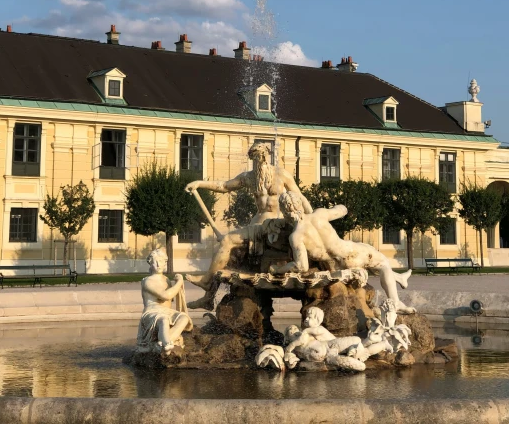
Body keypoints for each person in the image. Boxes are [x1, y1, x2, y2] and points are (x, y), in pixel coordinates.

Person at [185, 142, 313, 309]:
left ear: (267, 156)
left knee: (227, 241)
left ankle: (207, 283)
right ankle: (208, 296)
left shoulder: (282, 175)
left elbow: (300, 197)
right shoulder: (249, 177)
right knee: (228, 247)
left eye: (261, 156)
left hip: (276, 225)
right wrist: (199, 184)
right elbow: (224, 186)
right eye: (255, 158)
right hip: (258, 224)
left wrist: (312, 218)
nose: (259, 161)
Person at [271, 191, 415, 314]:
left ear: (285, 212)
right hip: (350, 254)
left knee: (379, 268)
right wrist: (340, 206)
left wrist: (278, 269)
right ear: (300, 204)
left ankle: (399, 280)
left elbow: (301, 267)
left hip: (335, 268)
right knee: (383, 264)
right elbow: (342, 210)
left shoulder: (296, 236)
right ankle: (395, 301)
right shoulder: (319, 215)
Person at [137, 248, 192, 353]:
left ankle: (164, 343)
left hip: (166, 311)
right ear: (150, 263)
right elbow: (166, 296)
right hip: (152, 312)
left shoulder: (166, 280)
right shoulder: (147, 281)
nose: (159, 265)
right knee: (164, 319)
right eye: (155, 262)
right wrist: (179, 282)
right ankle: (166, 343)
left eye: (161, 262)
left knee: (184, 318)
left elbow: (171, 299)